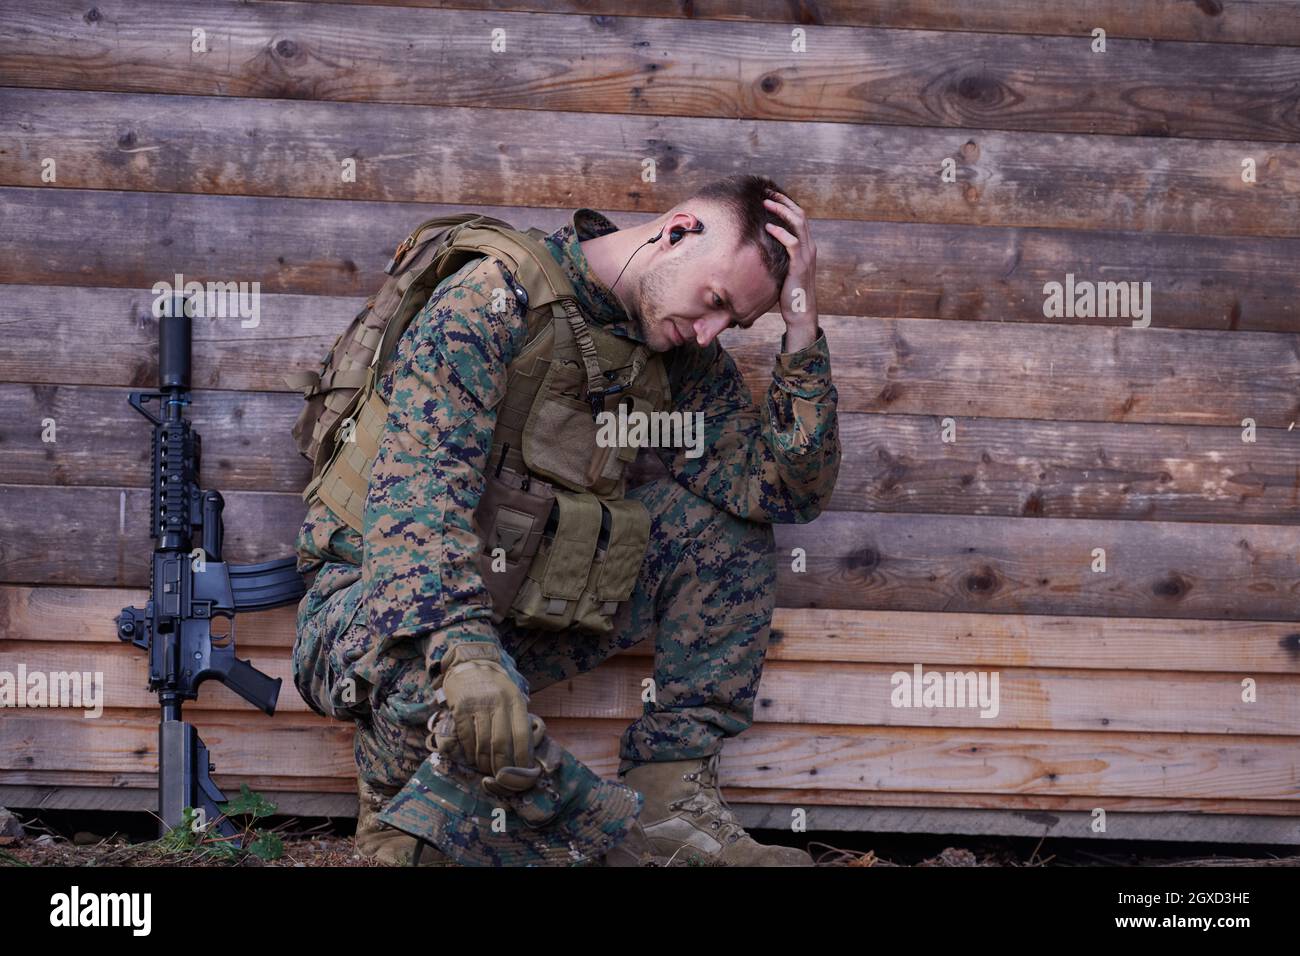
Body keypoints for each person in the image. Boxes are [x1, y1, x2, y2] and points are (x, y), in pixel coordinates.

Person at [292, 173, 841, 866]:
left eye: (732, 324)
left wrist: (801, 324)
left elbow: (780, 490)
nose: (708, 334)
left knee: (721, 527)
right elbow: (418, 511)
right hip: (377, 606)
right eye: (715, 303)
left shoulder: (675, 354)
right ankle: (409, 823)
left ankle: (672, 806)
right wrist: (466, 659)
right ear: (677, 231)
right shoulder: (493, 298)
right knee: (440, 686)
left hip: (517, 612)